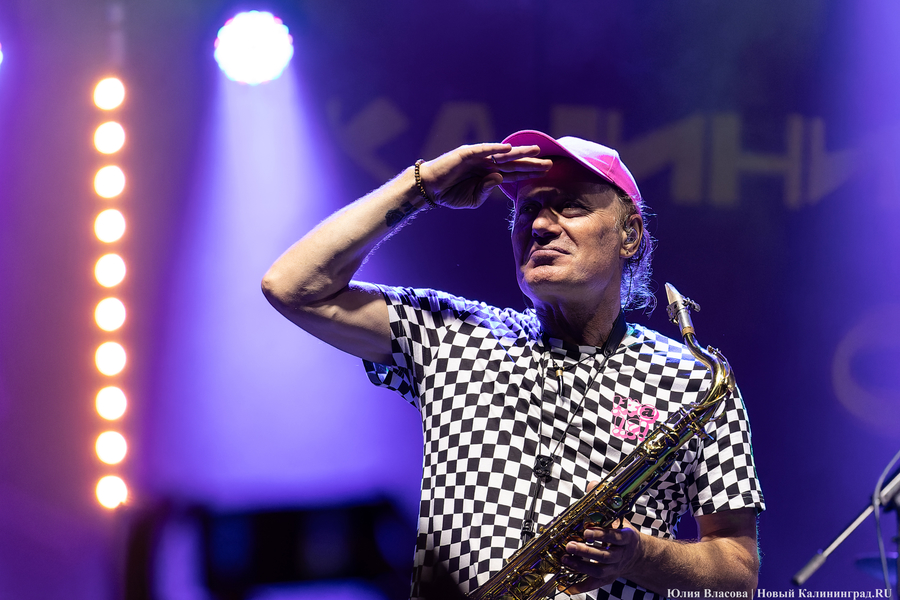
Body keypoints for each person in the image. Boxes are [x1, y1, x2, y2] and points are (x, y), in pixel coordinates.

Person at [261, 130, 765, 599]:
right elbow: (292, 287)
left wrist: (640, 555)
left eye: (570, 206)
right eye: (529, 210)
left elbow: (738, 573)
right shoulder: (455, 334)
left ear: (629, 235)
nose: (541, 226)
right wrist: (423, 185)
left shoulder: (695, 379)